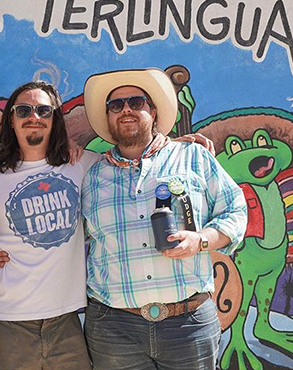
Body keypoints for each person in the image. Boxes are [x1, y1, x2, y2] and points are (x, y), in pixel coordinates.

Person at [81, 68, 247, 369]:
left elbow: (235, 210)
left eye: (136, 101)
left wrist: (200, 240)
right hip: (113, 329)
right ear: (108, 117)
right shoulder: (90, 175)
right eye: (115, 105)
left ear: (153, 111)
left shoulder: (193, 157)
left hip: (189, 324)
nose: (126, 110)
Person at [0, 81, 98, 369]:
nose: (34, 117)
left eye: (44, 110)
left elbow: (133, 161)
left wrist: (176, 143)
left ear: (55, 119)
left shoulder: (83, 166)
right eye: (24, 110)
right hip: (6, 321)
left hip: (66, 320)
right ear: (11, 119)